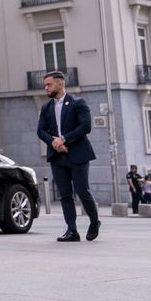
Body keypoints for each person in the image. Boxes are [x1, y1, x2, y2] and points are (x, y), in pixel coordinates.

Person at [37, 70, 101, 242]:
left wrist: (64, 139)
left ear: (60, 84)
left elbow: (85, 126)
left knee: (82, 191)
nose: (46, 88)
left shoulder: (77, 103)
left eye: (49, 84)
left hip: (78, 154)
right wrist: (54, 142)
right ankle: (72, 230)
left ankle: (94, 222)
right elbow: (40, 131)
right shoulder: (46, 107)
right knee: (65, 194)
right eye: (45, 85)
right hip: (57, 157)